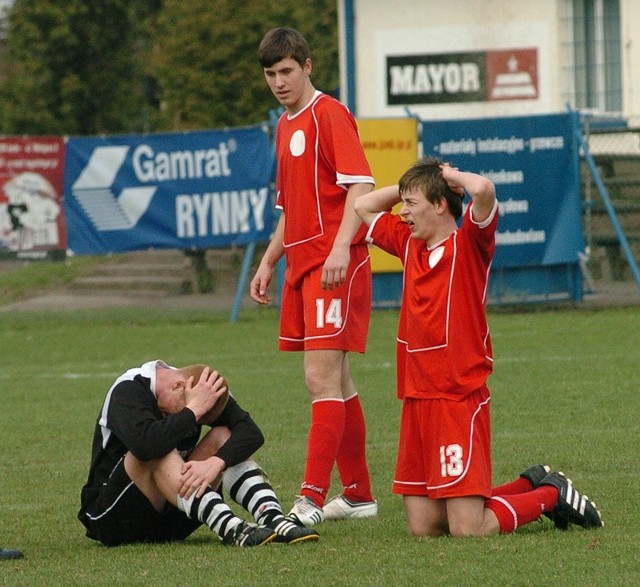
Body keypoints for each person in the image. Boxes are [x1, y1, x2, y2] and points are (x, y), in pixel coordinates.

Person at [353, 157, 604, 536]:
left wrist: (447, 177)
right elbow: (363, 205)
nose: (403, 212)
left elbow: (484, 190)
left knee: (468, 529)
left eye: (412, 204)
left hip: (457, 396)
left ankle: (551, 494)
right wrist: (411, 184)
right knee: (425, 527)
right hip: (417, 396)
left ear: (440, 205)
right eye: (403, 203)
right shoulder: (409, 243)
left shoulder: (469, 243)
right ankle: (527, 483)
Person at [250, 27, 377, 526]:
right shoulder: (284, 126)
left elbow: (361, 186)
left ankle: (308, 498)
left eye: (286, 71)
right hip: (302, 268)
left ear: (307, 66)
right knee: (338, 381)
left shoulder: (330, 114)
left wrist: (342, 246)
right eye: (270, 74)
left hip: (333, 265)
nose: (279, 82)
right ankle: (360, 494)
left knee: (318, 378)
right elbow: (290, 207)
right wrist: (268, 260)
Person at [78, 360, 319, 547]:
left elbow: (251, 432)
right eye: (192, 412)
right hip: (113, 519)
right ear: (178, 386)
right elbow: (145, 446)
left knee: (225, 435)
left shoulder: (203, 387)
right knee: (157, 448)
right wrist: (192, 410)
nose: (193, 422)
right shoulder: (129, 388)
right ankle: (231, 529)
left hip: (175, 518)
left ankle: (273, 517)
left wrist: (217, 462)